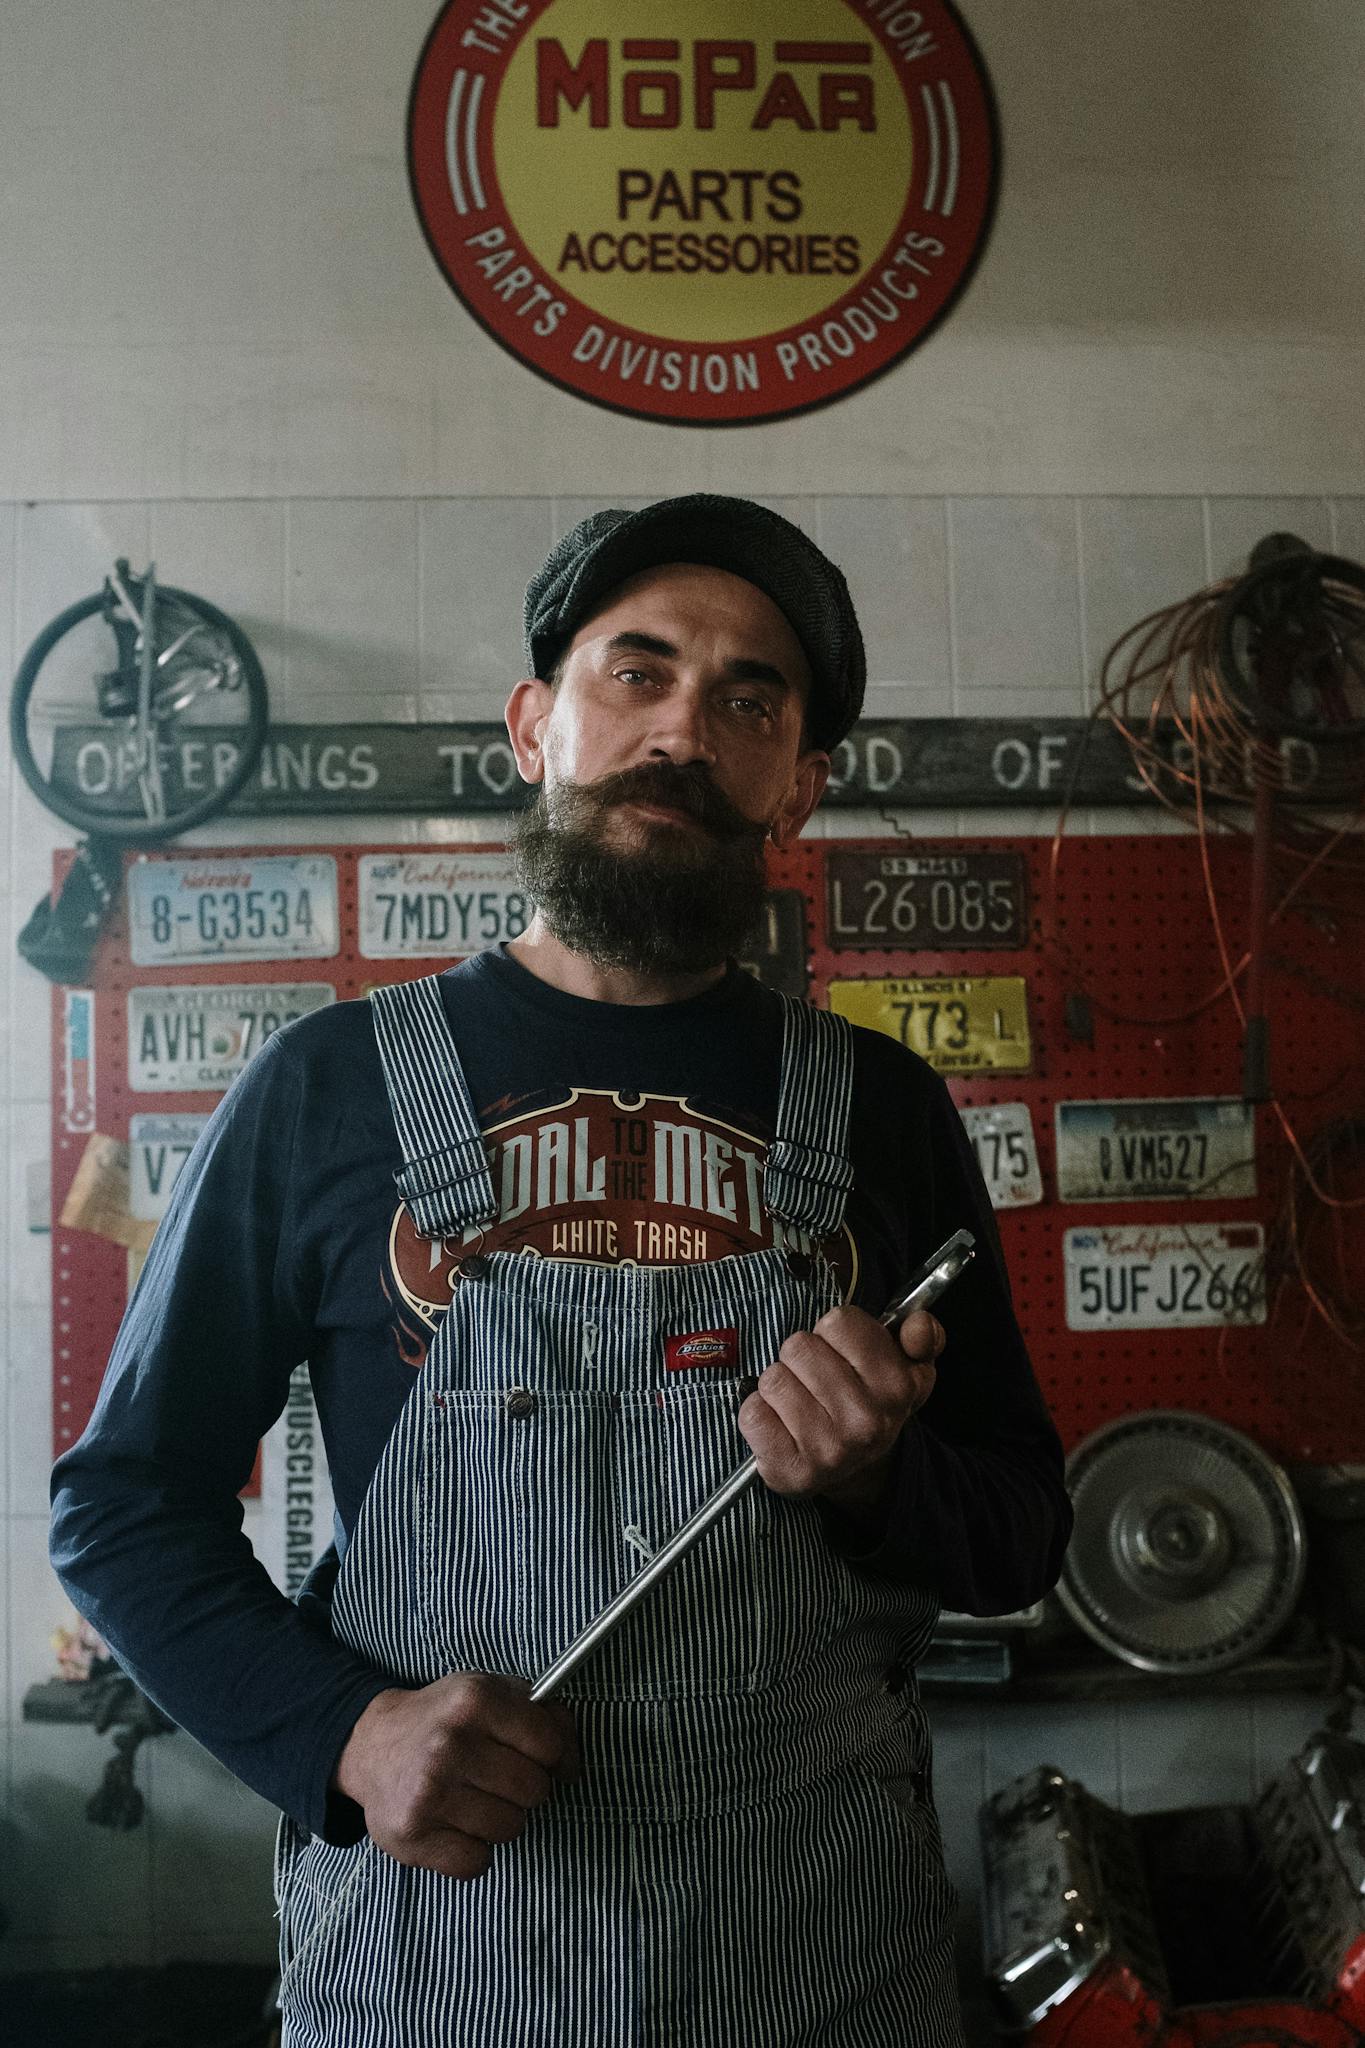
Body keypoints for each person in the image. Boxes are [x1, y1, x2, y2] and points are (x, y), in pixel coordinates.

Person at [52, 494, 1072, 2047]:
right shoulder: (324, 1090)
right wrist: (342, 1732)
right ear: (534, 725)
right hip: (438, 1955)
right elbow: (120, 1505)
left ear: (798, 784)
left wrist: (878, 1480)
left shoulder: (881, 1111)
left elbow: (1016, 1536)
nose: (682, 729)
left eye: (749, 698)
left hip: (816, 1963)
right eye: (636, 671)